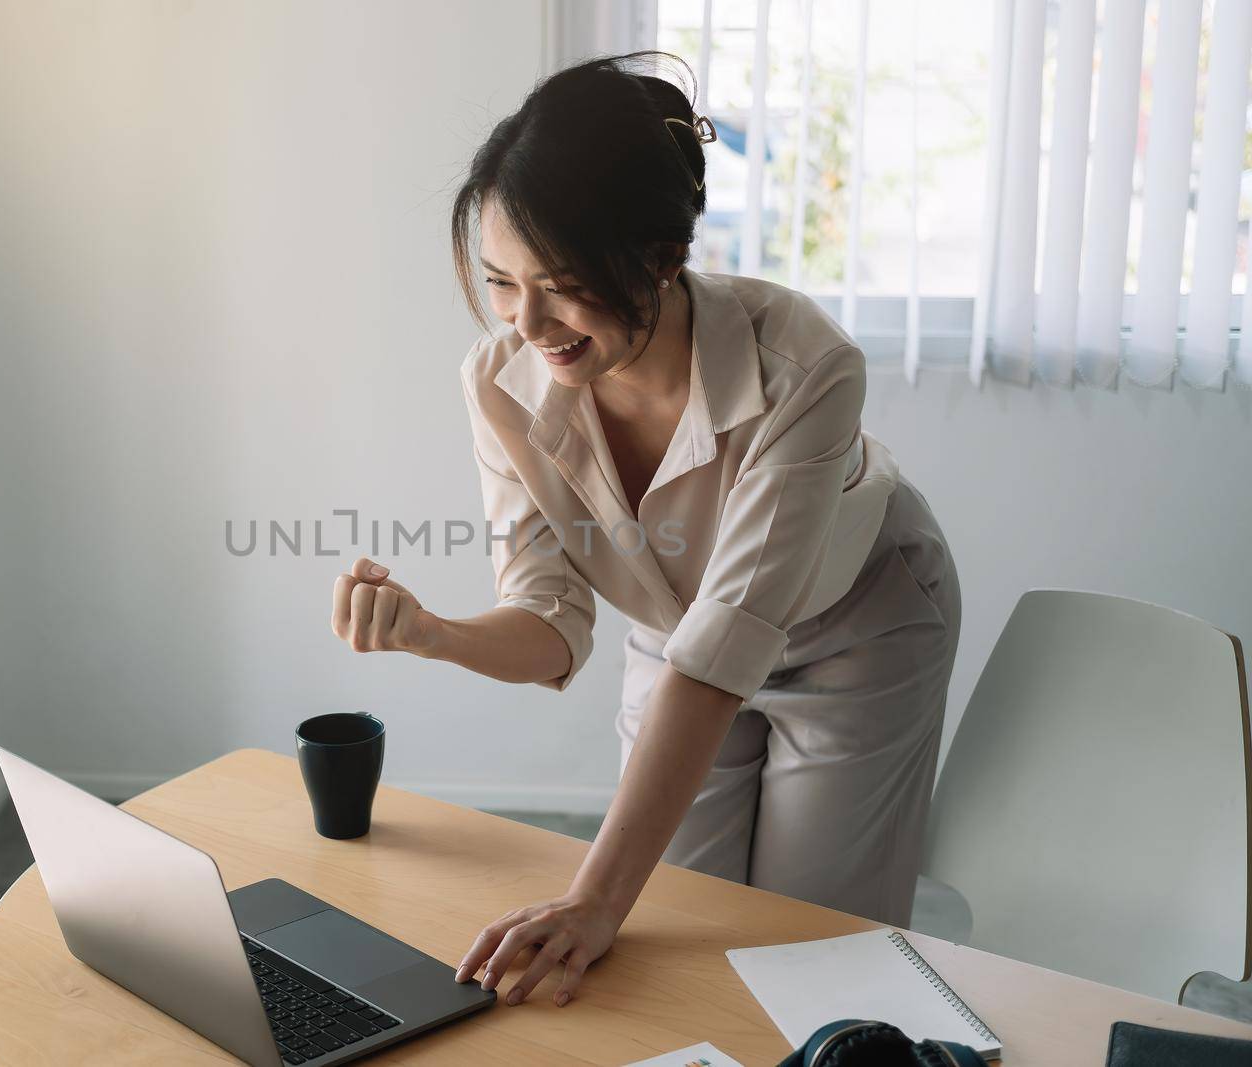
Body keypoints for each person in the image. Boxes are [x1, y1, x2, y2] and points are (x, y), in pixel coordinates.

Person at [328, 52, 961, 1011]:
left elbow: (722, 651)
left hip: (854, 627)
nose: (527, 321)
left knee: (806, 946)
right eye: (501, 282)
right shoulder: (500, 381)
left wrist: (588, 898)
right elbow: (550, 621)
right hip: (679, 638)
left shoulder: (804, 367)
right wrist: (431, 632)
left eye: (562, 283)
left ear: (661, 258)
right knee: (665, 934)